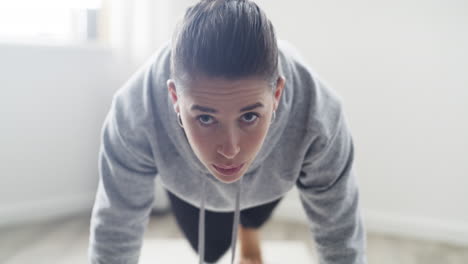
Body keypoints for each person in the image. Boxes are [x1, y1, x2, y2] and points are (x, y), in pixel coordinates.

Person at [88, 0, 367, 263]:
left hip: (269, 170)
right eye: (206, 118)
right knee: (208, 248)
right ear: (174, 98)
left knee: (252, 210)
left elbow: (339, 230)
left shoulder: (319, 117)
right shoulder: (136, 112)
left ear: (277, 94)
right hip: (189, 175)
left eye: (249, 116)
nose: (230, 148)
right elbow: (116, 225)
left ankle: (249, 227)